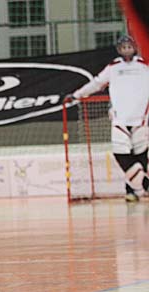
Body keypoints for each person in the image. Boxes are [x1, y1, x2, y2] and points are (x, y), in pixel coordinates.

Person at [65, 35, 149, 202]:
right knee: (121, 154)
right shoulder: (113, 67)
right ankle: (145, 185)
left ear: (135, 48)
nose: (126, 50)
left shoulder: (144, 65)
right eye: (123, 47)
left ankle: (131, 191)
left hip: (141, 119)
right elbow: (96, 83)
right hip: (120, 119)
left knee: (140, 156)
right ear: (118, 50)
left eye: (129, 46)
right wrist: (76, 95)